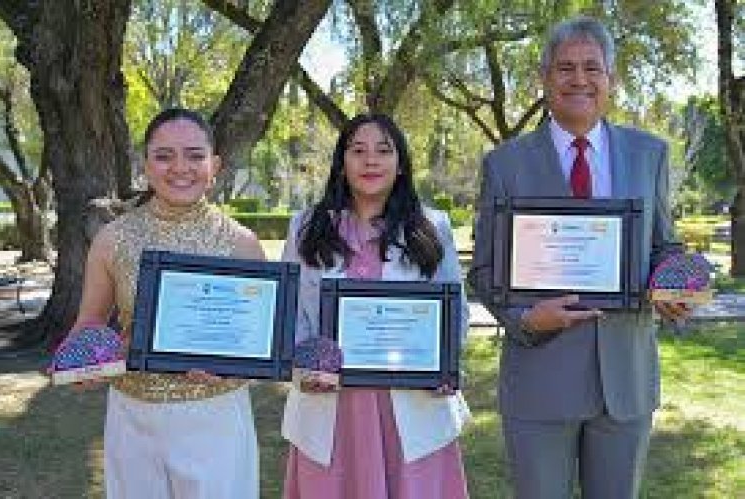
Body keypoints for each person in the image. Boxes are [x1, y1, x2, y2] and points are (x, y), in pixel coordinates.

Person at [467, 16, 689, 499]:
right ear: (545, 79)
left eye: (593, 67)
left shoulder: (649, 153)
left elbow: (663, 246)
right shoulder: (504, 164)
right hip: (539, 380)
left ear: (611, 79)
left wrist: (675, 284)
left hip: (625, 382)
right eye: (565, 68)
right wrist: (524, 318)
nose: (579, 79)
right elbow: (483, 269)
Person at [71, 107, 265, 498]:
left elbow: (261, 347)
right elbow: (88, 325)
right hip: (133, 417)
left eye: (195, 155)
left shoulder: (242, 243)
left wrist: (234, 371)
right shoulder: (113, 238)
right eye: (163, 156)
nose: (180, 167)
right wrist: (81, 361)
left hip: (216, 416)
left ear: (215, 165)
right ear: (145, 165)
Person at [280, 113, 471, 499]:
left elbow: (456, 315)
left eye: (384, 151)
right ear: (341, 162)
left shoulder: (432, 227)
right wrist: (307, 363)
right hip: (331, 410)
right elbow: (289, 315)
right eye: (358, 151)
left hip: (412, 412)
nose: (371, 161)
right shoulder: (306, 228)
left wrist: (444, 364)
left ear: (400, 165)